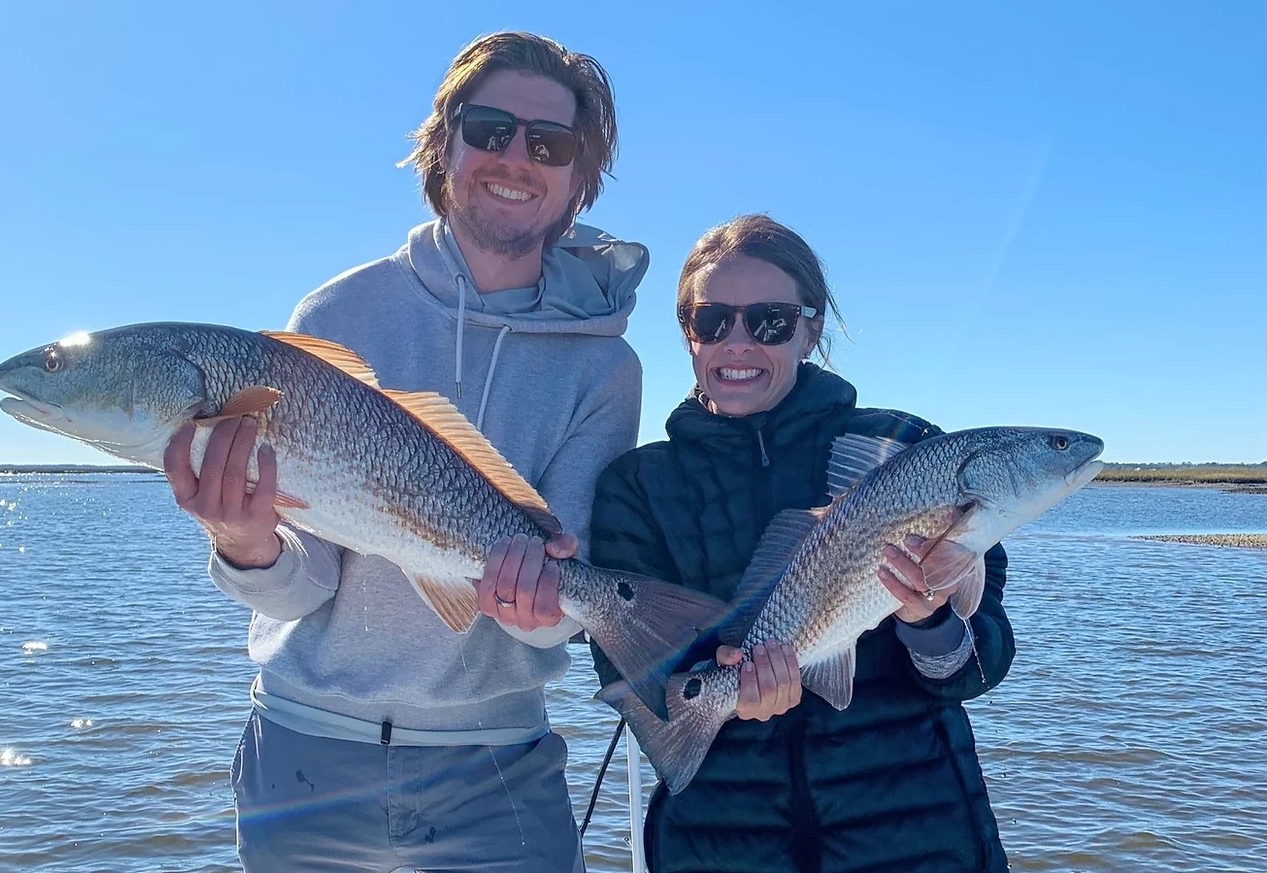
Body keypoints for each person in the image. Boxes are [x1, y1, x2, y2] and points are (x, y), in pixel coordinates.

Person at [162, 32, 647, 873]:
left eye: (549, 143)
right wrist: (245, 546)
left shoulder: (605, 365)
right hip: (303, 758)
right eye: (489, 128)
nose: (515, 157)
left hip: (495, 770)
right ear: (444, 140)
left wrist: (544, 610)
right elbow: (302, 581)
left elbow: (563, 596)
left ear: (578, 179)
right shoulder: (336, 313)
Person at [589, 214, 1013, 873]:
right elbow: (631, 673)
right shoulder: (640, 484)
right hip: (720, 842)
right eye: (710, 320)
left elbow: (979, 666)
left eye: (768, 322)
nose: (737, 342)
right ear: (685, 331)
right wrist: (716, 684)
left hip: (915, 838)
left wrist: (927, 618)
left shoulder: (907, 448)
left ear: (810, 329)